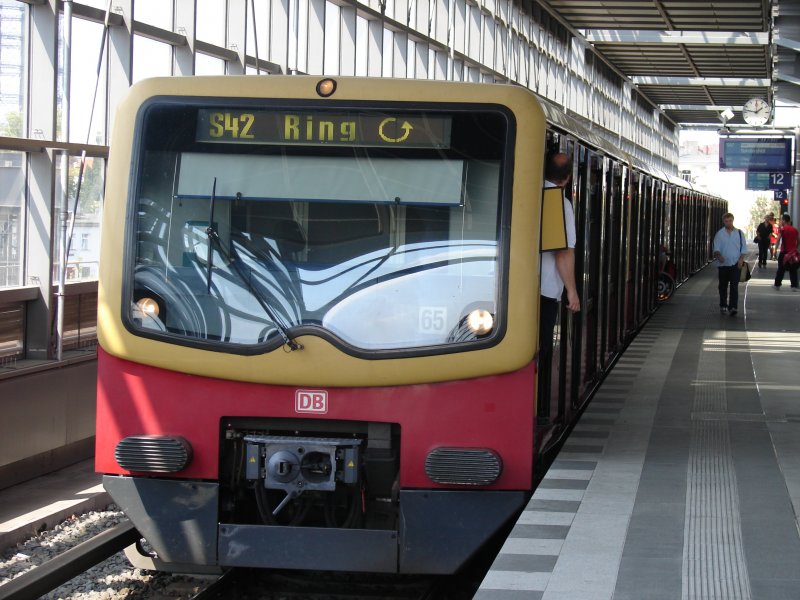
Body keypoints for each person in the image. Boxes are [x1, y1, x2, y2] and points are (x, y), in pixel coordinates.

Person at [538, 152, 580, 415]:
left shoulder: (525, 191)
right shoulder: (559, 203)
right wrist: (572, 291)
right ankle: (540, 408)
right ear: (566, 179)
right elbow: (563, 251)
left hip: (510, 289)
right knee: (542, 348)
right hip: (543, 290)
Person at [712, 212, 747, 316]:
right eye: (726, 221)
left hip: (735, 264)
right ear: (723, 222)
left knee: (734, 286)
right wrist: (719, 256)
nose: (728, 223)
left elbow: (743, 249)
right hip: (723, 265)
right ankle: (723, 304)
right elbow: (716, 248)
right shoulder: (719, 234)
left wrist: (741, 259)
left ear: (733, 220)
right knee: (722, 286)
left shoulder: (740, 233)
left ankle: (733, 307)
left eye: (730, 221)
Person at [773, 213, 799, 291]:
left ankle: (777, 285)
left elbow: (778, 240)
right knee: (793, 270)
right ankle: (794, 286)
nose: (781, 222)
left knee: (781, 269)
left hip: (784, 252)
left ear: (784, 220)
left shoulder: (782, 229)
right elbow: (799, 240)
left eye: (781, 220)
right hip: (793, 253)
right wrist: (795, 248)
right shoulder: (795, 230)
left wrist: (775, 250)